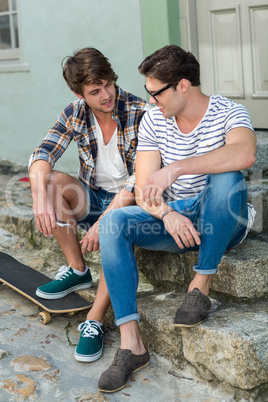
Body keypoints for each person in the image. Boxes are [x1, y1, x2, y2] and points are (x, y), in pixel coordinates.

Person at [96, 45, 257, 393]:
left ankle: (199, 287)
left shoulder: (230, 112)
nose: (152, 101)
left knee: (227, 177)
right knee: (113, 222)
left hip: (223, 217)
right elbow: (144, 188)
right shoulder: (154, 120)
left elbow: (244, 153)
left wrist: (177, 169)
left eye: (156, 93)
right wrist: (167, 214)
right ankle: (131, 345)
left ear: (182, 86)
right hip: (177, 218)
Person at [28, 47, 151, 363]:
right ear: (78, 93)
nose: (106, 95)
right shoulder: (74, 112)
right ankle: (78, 268)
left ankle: (93, 320)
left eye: (108, 84)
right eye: (95, 91)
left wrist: (105, 222)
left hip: (130, 202)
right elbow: (43, 153)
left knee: (115, 229)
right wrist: (40, 198)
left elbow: (141, 178)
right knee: (51, 180)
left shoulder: (140, 111)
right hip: (93, 197)